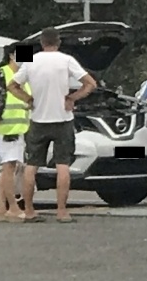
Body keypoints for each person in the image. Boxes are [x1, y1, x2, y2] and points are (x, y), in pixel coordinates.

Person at [7, 28, 95, 222]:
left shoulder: (31, 60)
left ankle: (29, 211)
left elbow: (12, 85)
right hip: (63, 119)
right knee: (62, 166)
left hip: (38, 119)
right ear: (59, 42)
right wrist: (72, 98)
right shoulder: (67, 60)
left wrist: (28, 99)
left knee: (32, 166)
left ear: (41, 42)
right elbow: (90, 84)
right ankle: (62, 212)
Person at [0, 43, 31, 222]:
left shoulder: (23, 76)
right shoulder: (3, 73)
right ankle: (13, 207)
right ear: (12, 55)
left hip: (18, 128)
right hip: (7, 128)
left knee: (9, 167)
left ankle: (0, 207)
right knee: (8, 167)